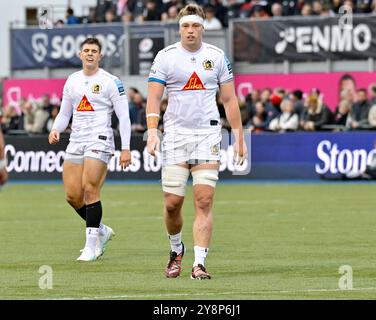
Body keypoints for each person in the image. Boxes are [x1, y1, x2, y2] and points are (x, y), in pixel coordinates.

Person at [146, 3, 247, 280]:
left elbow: (229, 99)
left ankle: (199, 264)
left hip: (207, 135)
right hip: (176, 135)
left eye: (195, 26)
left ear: (203, 28)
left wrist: (239, 137)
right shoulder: (165, 57)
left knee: (204, 200)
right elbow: (154, 98)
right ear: (179, 29)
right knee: (172, 204)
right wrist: (152, 131)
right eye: (186, 26)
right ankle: (176, 250)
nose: (190, 31)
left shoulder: (216, 57)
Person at [48, 37, 132, 261]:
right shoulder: (72, 80)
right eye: (86, 50)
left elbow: (123, 116)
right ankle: (102, 231)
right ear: (80, 54)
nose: (90, 54)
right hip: (76, 140)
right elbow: (65, 113)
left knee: (89, 189)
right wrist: (56, 129)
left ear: (100, 56)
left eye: (94, 51)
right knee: (72, 196)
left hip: (100, 139)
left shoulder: (110, 81)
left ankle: (90, 246)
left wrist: (126, 148)